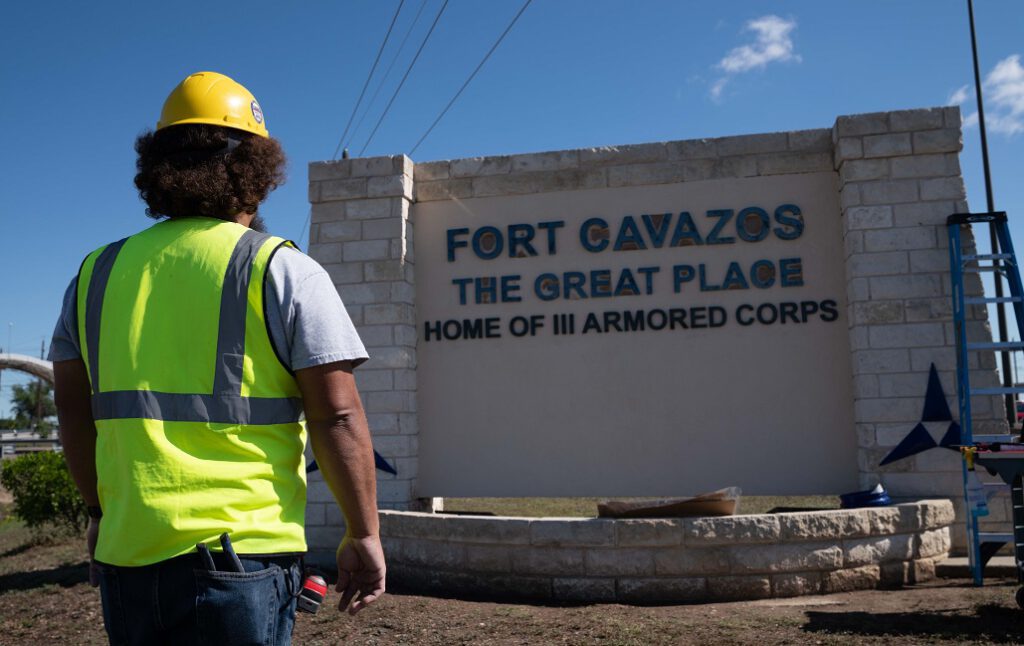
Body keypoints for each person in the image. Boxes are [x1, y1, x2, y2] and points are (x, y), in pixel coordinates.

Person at [50, 71, 385, 645]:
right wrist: (364, 533)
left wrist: (99, 515)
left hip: (128, 561)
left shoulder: (95, 276)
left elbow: (75, 417)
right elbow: (337, 415)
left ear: (159, 166)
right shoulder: (282, 269)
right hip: (242, 562)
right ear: (254, 168)